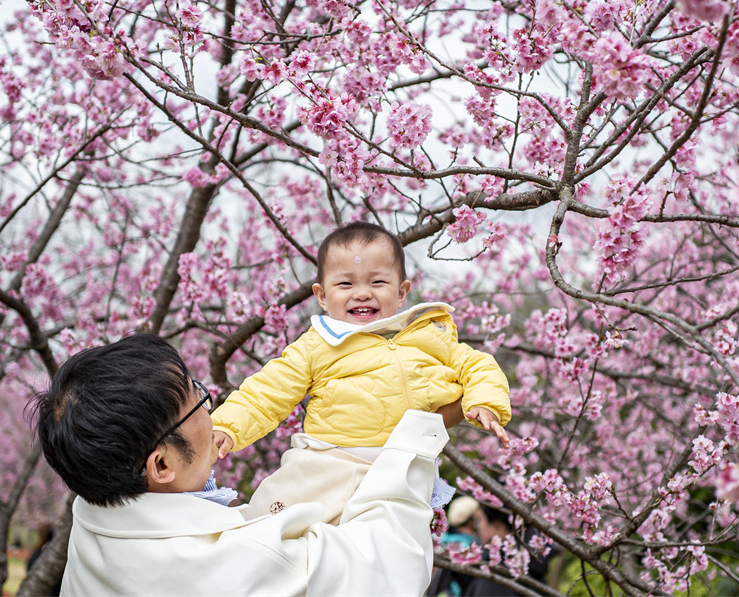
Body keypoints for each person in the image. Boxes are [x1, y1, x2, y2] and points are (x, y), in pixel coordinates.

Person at [33, 333, 448, 595]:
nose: (210, 410)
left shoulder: (91, 514)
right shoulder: (241, 561)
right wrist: (416, 434)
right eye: (196, 400)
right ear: (160, 465)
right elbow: (389, 566)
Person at [212, 221, 512, 522]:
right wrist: (228, 426)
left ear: (401, 292)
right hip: (328, 460)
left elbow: (478, 364)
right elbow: (269, 390)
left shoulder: (430, 335)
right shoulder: (318, 345)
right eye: (345, 284)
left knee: (369, 544)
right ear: (322, 296)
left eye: (377, 283)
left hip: (399, 468)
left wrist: (484, 403)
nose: (362, 293)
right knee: (271, 520)